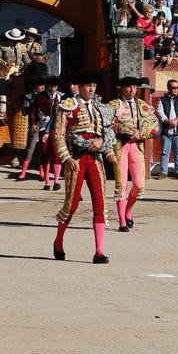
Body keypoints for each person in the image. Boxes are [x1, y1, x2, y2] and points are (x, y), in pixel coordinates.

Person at [51, 70, 117, 264]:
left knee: (100, 203)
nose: (91, 88)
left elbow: (108, 131)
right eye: (88, 85)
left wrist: (104, 144)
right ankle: (58, 241)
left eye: (94, 86)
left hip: (95, 159)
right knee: (72, 204)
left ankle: (99, 251)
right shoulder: (68, 106)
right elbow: (58, 134)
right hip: (77, 159)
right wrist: (66, 158)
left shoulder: (100, 107)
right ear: (79, 87)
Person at [109, 77, 160, 232]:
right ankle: (122, 221)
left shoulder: (143, 106)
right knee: (121, 184)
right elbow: (108, 125)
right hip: (120, 147)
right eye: (128, 87)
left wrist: (142, 133)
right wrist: (129, 132)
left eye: (134, 87)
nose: (132, 90)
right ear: (122, 89)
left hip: (137, 146)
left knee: (139, 184)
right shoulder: (113, 105)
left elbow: (155, 126)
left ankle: (128, 210)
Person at [155, 79, 178, 179]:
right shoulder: (162, 100)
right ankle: (163, 172)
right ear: (169, 88)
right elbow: (160, 112)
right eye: (173, 87)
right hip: (166, 129)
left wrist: (176, 120)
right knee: (165, 152)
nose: (175, 89)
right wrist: (168, 121)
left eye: (177, 87)